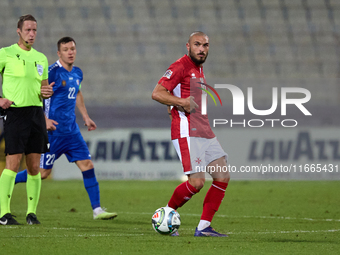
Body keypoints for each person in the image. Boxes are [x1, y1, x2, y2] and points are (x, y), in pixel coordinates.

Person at [15, 37, 117, 220]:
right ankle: (6, 183)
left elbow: (77, 92)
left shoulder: (78, 73)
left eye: (72, 49)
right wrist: (44, 119)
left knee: (87, 165)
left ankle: (97, 210)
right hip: (52, 132)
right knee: (42, 173)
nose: (70, 52)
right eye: (65, 49)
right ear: (58, 53)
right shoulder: (52, 72)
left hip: (71, 132)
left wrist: (85, 116)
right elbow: (36, 94)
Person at [152, 31, 230, 237]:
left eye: (205, 45)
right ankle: (165, 216)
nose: (202, 49)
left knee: (222, 176)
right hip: (187, 131)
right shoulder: (180, 66)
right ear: (188, 46)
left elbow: (176, 96)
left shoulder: (198, 69)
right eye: (197, 44)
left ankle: (204, 227)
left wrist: (177, 103)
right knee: (196, 182)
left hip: (204, 129)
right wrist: (181, 103)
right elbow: (157, 93)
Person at [0, 14, 54, 225]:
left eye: (34, 30)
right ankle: (4, 213)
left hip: (36, 114)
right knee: (12, 163)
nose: (32, 34)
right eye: (28, 30)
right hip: (15, 113)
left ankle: (31, 213)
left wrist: (46, 92)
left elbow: (43, 88)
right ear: (19, 31)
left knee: (34, 167)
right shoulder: (6, 53)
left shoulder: (41, 58)